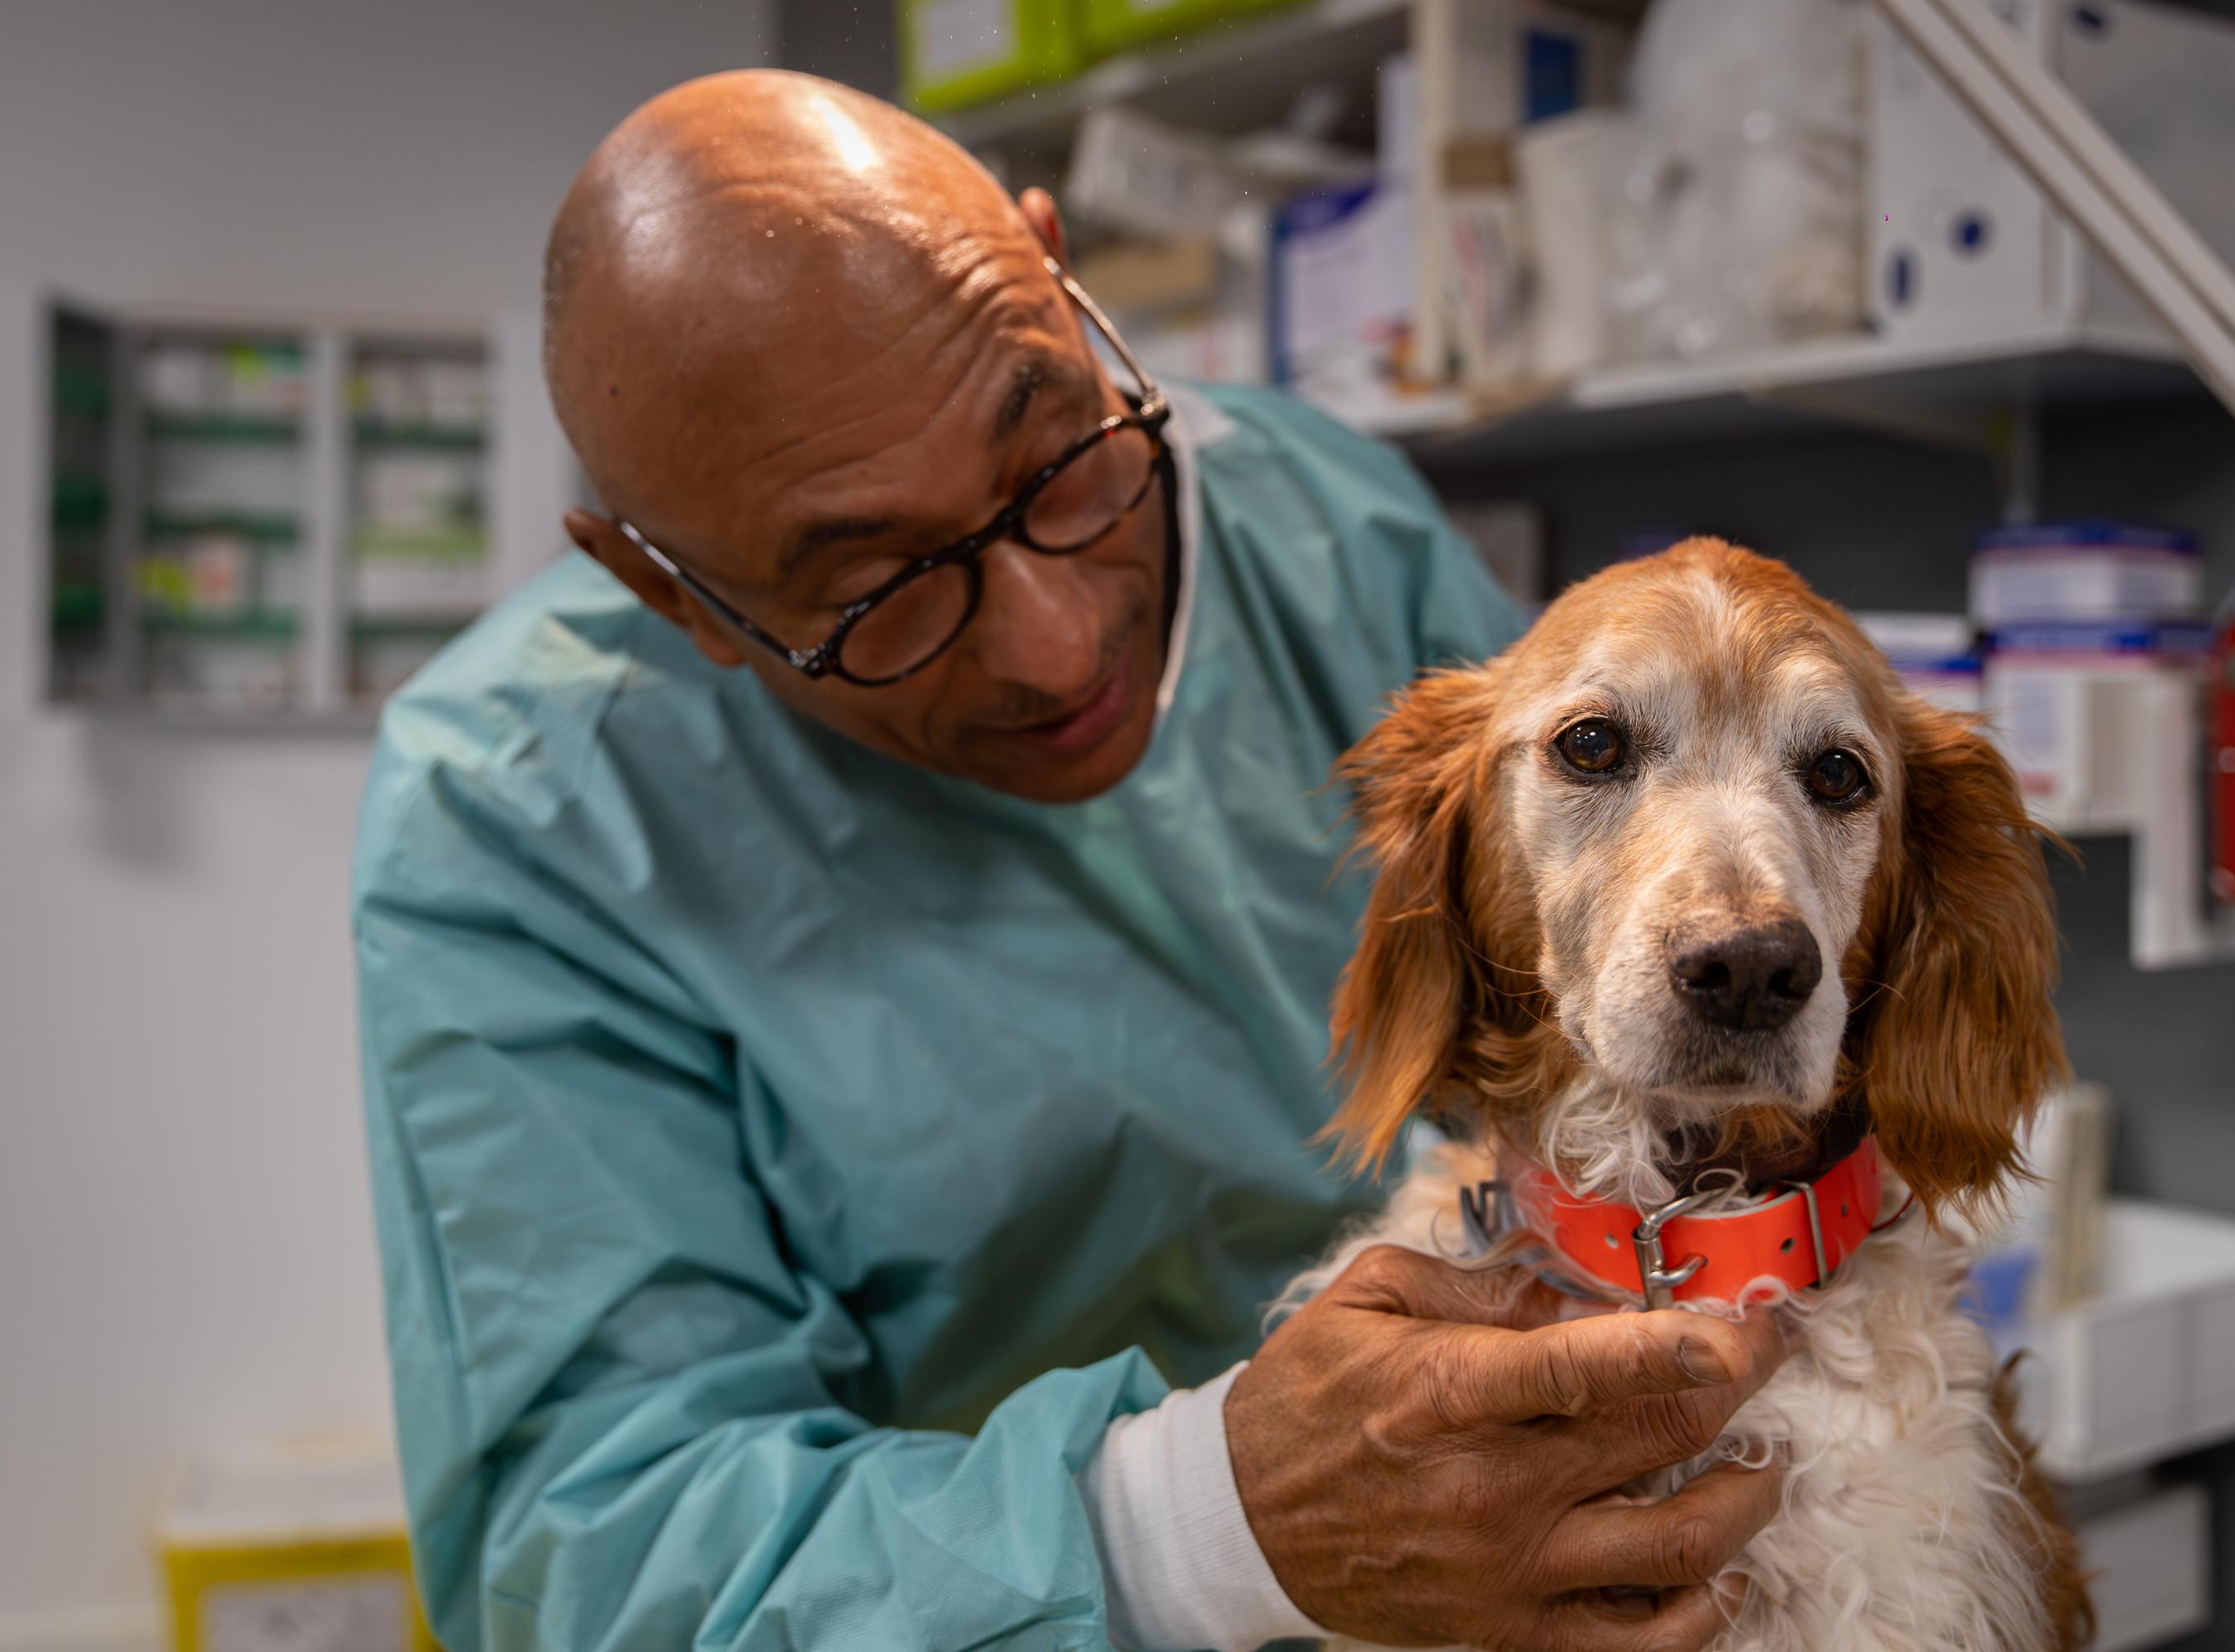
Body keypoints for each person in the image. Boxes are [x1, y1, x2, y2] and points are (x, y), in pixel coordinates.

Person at [354, 70, 1787, 1652]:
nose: (1054, 647)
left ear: (1055, 273)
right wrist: (1197, 1531)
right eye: (876, 593)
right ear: (664, 588)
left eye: (1054, 459)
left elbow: (1600, 1047)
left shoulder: (1316, 528)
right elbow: (605, 1554)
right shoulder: (524, 812)